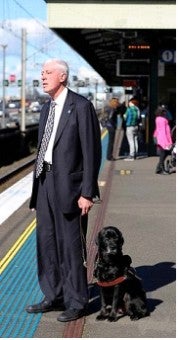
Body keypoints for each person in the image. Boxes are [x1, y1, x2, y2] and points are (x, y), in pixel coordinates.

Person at [25, 59, 101, 322]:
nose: (42, 76)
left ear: (62, 76)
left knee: (70, 246)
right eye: (42, 72)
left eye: (47, 73)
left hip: (71, 188)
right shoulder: (47, 108)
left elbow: (92, 152)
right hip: (45, 183)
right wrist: (37, 190)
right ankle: (54, 295)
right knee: (46, 244)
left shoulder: (81, 106)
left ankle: (77, 300)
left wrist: (87, 193)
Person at [153, 106, 173, 174]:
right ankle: (161, 169)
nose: (165, 112)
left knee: (164, 153)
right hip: (163, 139)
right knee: (163, 154)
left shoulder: (158, 119)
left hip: (161, 138)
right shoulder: (162, 120)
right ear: (161, 112)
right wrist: (167, 142)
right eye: (164, 111)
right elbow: (163, 131)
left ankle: (159, 168)